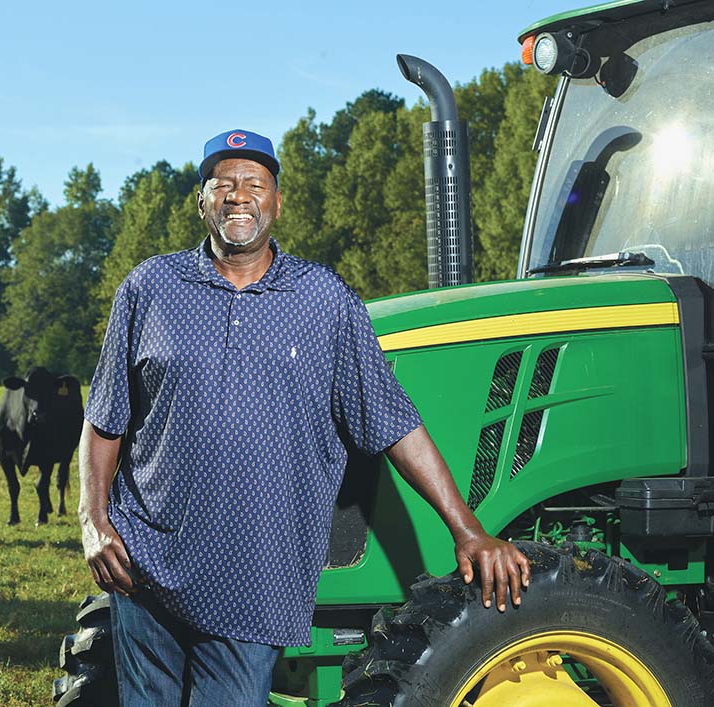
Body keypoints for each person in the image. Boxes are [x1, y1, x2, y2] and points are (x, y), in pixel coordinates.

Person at [78, 129, 530, 707]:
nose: (239, 197)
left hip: (255, 570)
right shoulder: (150, 288)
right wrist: (94, 520)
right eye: (225, 184)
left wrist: (466, 529)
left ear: (277, 201)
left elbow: (393, 421)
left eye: (255, 185)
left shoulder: (324, 299)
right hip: (142, 563)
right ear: (202, 200)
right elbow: (106, 417)